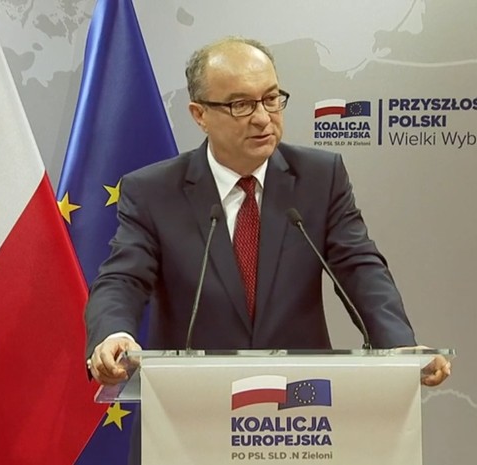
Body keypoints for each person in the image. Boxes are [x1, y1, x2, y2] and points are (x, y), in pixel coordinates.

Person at [85, 36, 451, 384]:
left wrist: (397, 344)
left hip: (301, 403)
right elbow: (123, 278)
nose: (262, 117)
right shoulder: (153, 191)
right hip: (191, 400)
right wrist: (114, 334)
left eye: (271, 99)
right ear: (200, 114)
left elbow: (360, 267)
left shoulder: (319, 177)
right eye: (241, 105)